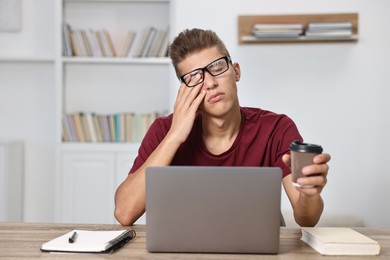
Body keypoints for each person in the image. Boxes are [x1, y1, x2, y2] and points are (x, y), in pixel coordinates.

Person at [114, 28, 331, 227]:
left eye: (217, 67)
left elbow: (307, 219)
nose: (209, 83)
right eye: (194, 77)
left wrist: (309, 194)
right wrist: (175, 137)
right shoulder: (164, 131)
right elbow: (124, 213)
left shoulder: (276, 128)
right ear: (184, 90)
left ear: (235, 71)